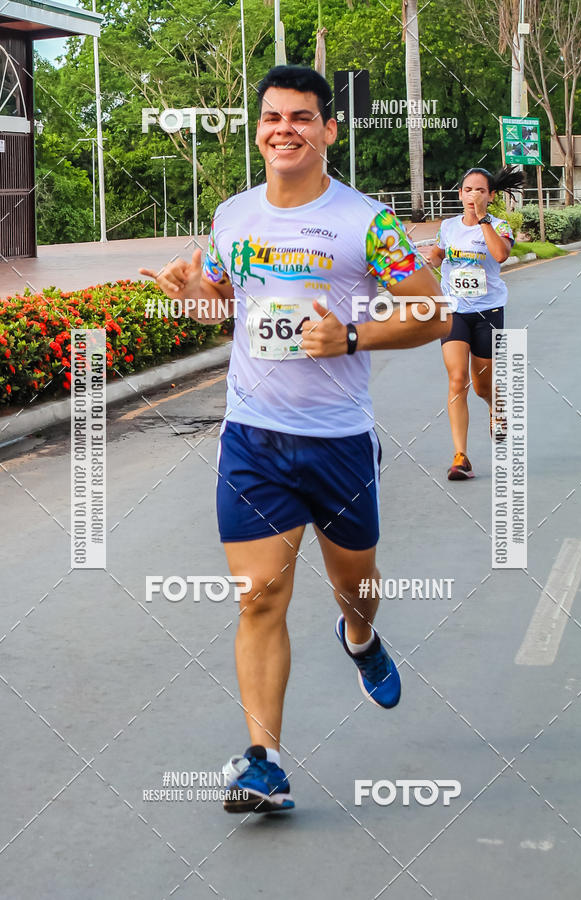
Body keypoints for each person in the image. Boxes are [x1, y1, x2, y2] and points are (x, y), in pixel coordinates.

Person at [140, 65, 450, 814]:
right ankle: (263, 760)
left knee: (357, 587)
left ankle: (360, 637)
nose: (286, 129)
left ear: (327, 131)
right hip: (253, 438)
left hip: (339, 442)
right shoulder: (232, 217)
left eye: (302, 118)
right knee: (261, 598)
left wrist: (349, 334)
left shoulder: (366, 223)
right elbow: (225, 302)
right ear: (259, 131)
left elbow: (434, 315)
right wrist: (193, 299)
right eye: (274, 117)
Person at [424, 166, 525, 480]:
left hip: (488, 312)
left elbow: (499, 255)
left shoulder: (499, 226)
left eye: (481, 190)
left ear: (491, 196)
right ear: (460, 194)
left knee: (482, 386)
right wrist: (432, 257)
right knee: (457, 380)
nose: (473, 195)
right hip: (453, 311)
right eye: (468, 190)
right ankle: (461, 456)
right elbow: (439, 254)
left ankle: (497, 409)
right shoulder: (449, 226)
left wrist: (483, 221)